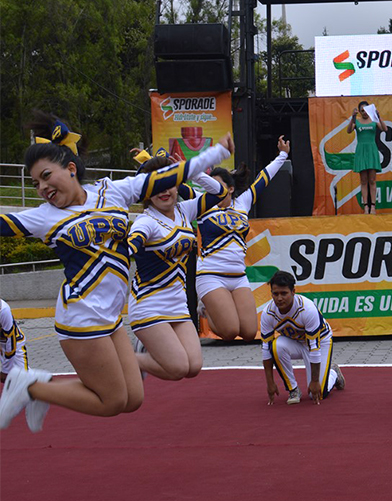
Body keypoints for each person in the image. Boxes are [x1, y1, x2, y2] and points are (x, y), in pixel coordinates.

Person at [0, 111, 231, 432]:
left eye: (45, 176)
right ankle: (29, 387)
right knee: (110, 401)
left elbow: (165, 177)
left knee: (132, 399)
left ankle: (39, 387)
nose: (41, 187)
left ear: (70, 169)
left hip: (111, 319)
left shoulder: (112, 192)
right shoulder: (43, 217)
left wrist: (216, 153)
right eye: (35, 183)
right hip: (80, 319)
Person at [127, 153, 228, 381]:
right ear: (145, 194)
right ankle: (126, 357)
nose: (164, 192)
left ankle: (144, 351)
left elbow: (219, 193)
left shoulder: (186, 211)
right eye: (156, 187)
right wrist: (131, 246)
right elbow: (132, 243)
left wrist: (188, 170)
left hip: (177, 303)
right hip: (148, 305)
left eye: (168, 184)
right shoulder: (146, 221)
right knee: (178, 368)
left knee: (193, 367)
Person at [196, 136, 289, 341]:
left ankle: (214, 307)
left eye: (217, 186)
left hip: (238, 276)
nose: (213, 191)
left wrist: (283, 155)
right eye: (210, 186)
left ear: (229, 189)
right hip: (211, 274)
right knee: (229, 332)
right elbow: (182, 183)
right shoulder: (201, 204)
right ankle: (206, 307)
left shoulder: (242, 203)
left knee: (248, 333)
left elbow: (264, 178)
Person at [260, 271, 344, 405]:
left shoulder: (307, 308)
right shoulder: (268, 313)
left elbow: (314, 347)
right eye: (275, 294)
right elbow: (265, 349)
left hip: (320, 342)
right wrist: (270, 383)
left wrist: (315, 381)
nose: (279, 298)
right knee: (275, 346)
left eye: (284, 293)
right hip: (296, 342)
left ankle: (333, 373)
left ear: (293, 291)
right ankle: (293, 389)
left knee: (318, 393)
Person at [347, 101, 388, 214]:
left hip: (371, 151)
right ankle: (366, 206)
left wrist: (378, 117)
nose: (364, 112)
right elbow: (349, 130)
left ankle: (373, 206)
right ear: (359, 111)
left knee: (372, 180)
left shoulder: (374, 120)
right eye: (362, 110)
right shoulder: (357, 121)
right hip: (361, 151)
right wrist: (353, 117)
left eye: (366, 110)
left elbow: (385, 129)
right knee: (363, 180)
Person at [0, 299, 29, 383]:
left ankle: (46, 386)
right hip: (2, 342)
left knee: (23, 380)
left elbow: (11, 341)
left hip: (14, 344)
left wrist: (5, 370)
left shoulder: (3, 310)